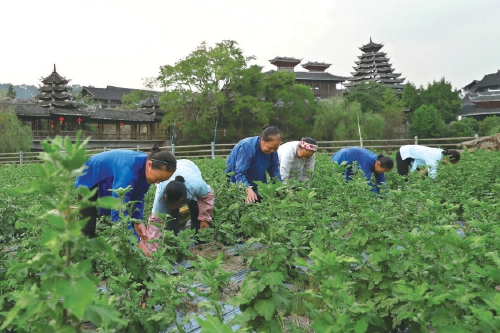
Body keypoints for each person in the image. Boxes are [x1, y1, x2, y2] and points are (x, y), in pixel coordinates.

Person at [75, 145, 176, 256]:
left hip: (109, 174)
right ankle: (80, 255)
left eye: (162, 180)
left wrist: (137, 221)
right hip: (89, 173)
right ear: (149, 165)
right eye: (157, 178)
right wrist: (139, 244)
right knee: (88, 225)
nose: (157, 182)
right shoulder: (128, 170)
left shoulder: (145, 170)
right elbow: (118, 212)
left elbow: (138, 197)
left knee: (125, 221)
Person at [146, 160, 214, 252]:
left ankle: (200, 246)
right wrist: (151, 248)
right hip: (173, 177)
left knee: (195, 211)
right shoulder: (161, 192)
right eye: (171, 204)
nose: (174, 207)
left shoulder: (195, 185)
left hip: (189, 166)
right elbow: (155, 222)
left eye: (177, 205)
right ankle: (174, 247)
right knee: (171, 220)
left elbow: (207, 195)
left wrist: (205, 218)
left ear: (185, 199)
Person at [225, 126, 282, 203]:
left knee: (259, 200)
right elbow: (239, 172)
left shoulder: (273, 152)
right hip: (237, 176)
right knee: (240, 202)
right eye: (270, 147)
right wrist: (247, 189)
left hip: (257, 175)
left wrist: (280, 187)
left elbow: (274, 170)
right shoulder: (248, 147)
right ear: (262, 140)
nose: (272, 151)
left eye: (275, 149)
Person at [396, 145, 460, 180]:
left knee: (425, 174)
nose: (447, 164)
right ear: (447, 158)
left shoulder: (441, 153)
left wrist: (423, 171)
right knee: (403, 178)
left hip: (414, 157)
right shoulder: (434, 157)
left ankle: (420, 187)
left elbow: (429, 167)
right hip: (403, 152)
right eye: (449, 163)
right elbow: (432, 174)